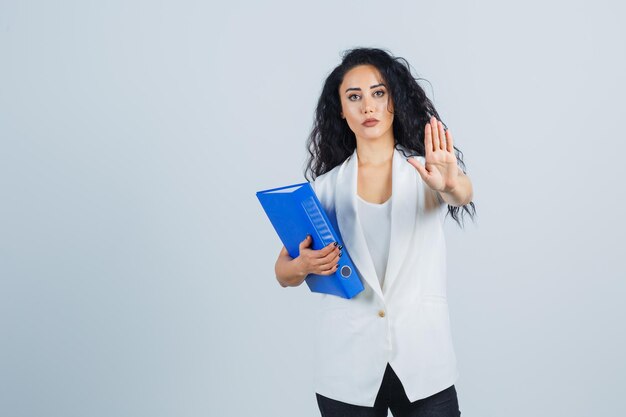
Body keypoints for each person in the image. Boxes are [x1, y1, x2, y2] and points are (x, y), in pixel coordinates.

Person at [274, 47, 475, 417]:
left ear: (393, 102)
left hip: (423, 361)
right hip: (346, 366)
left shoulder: (426, 171)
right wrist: (303, 264)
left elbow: (461, 193)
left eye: (378, 93)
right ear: (341, 110)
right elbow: (283, 272)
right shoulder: (324, 189)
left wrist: (451, 182)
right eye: (355, 97)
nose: (368, 106)